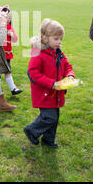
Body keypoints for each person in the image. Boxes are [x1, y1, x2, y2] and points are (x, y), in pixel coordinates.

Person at [23, 19, 75, 148]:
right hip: (45, 93)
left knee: (54, 118)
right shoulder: (38, 53)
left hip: (56, 92)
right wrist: (52, 83)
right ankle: (31, 130)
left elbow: (67, 65)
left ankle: (48, 140)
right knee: (49, 117)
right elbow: (33, 73)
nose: (59, 42)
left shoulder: (58, 52)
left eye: (60, 39)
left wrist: (70, 75)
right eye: (56, 38)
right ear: (45, 38)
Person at [0, 5, 23, 95]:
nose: (7, 19)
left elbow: (15, 39)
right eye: (5, 17)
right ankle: (13, 89)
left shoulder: (10, 27)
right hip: (0, 53)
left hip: (7, 54)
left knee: (5, 70)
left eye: (9, 18)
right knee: (6, 70)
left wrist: (12, 35)